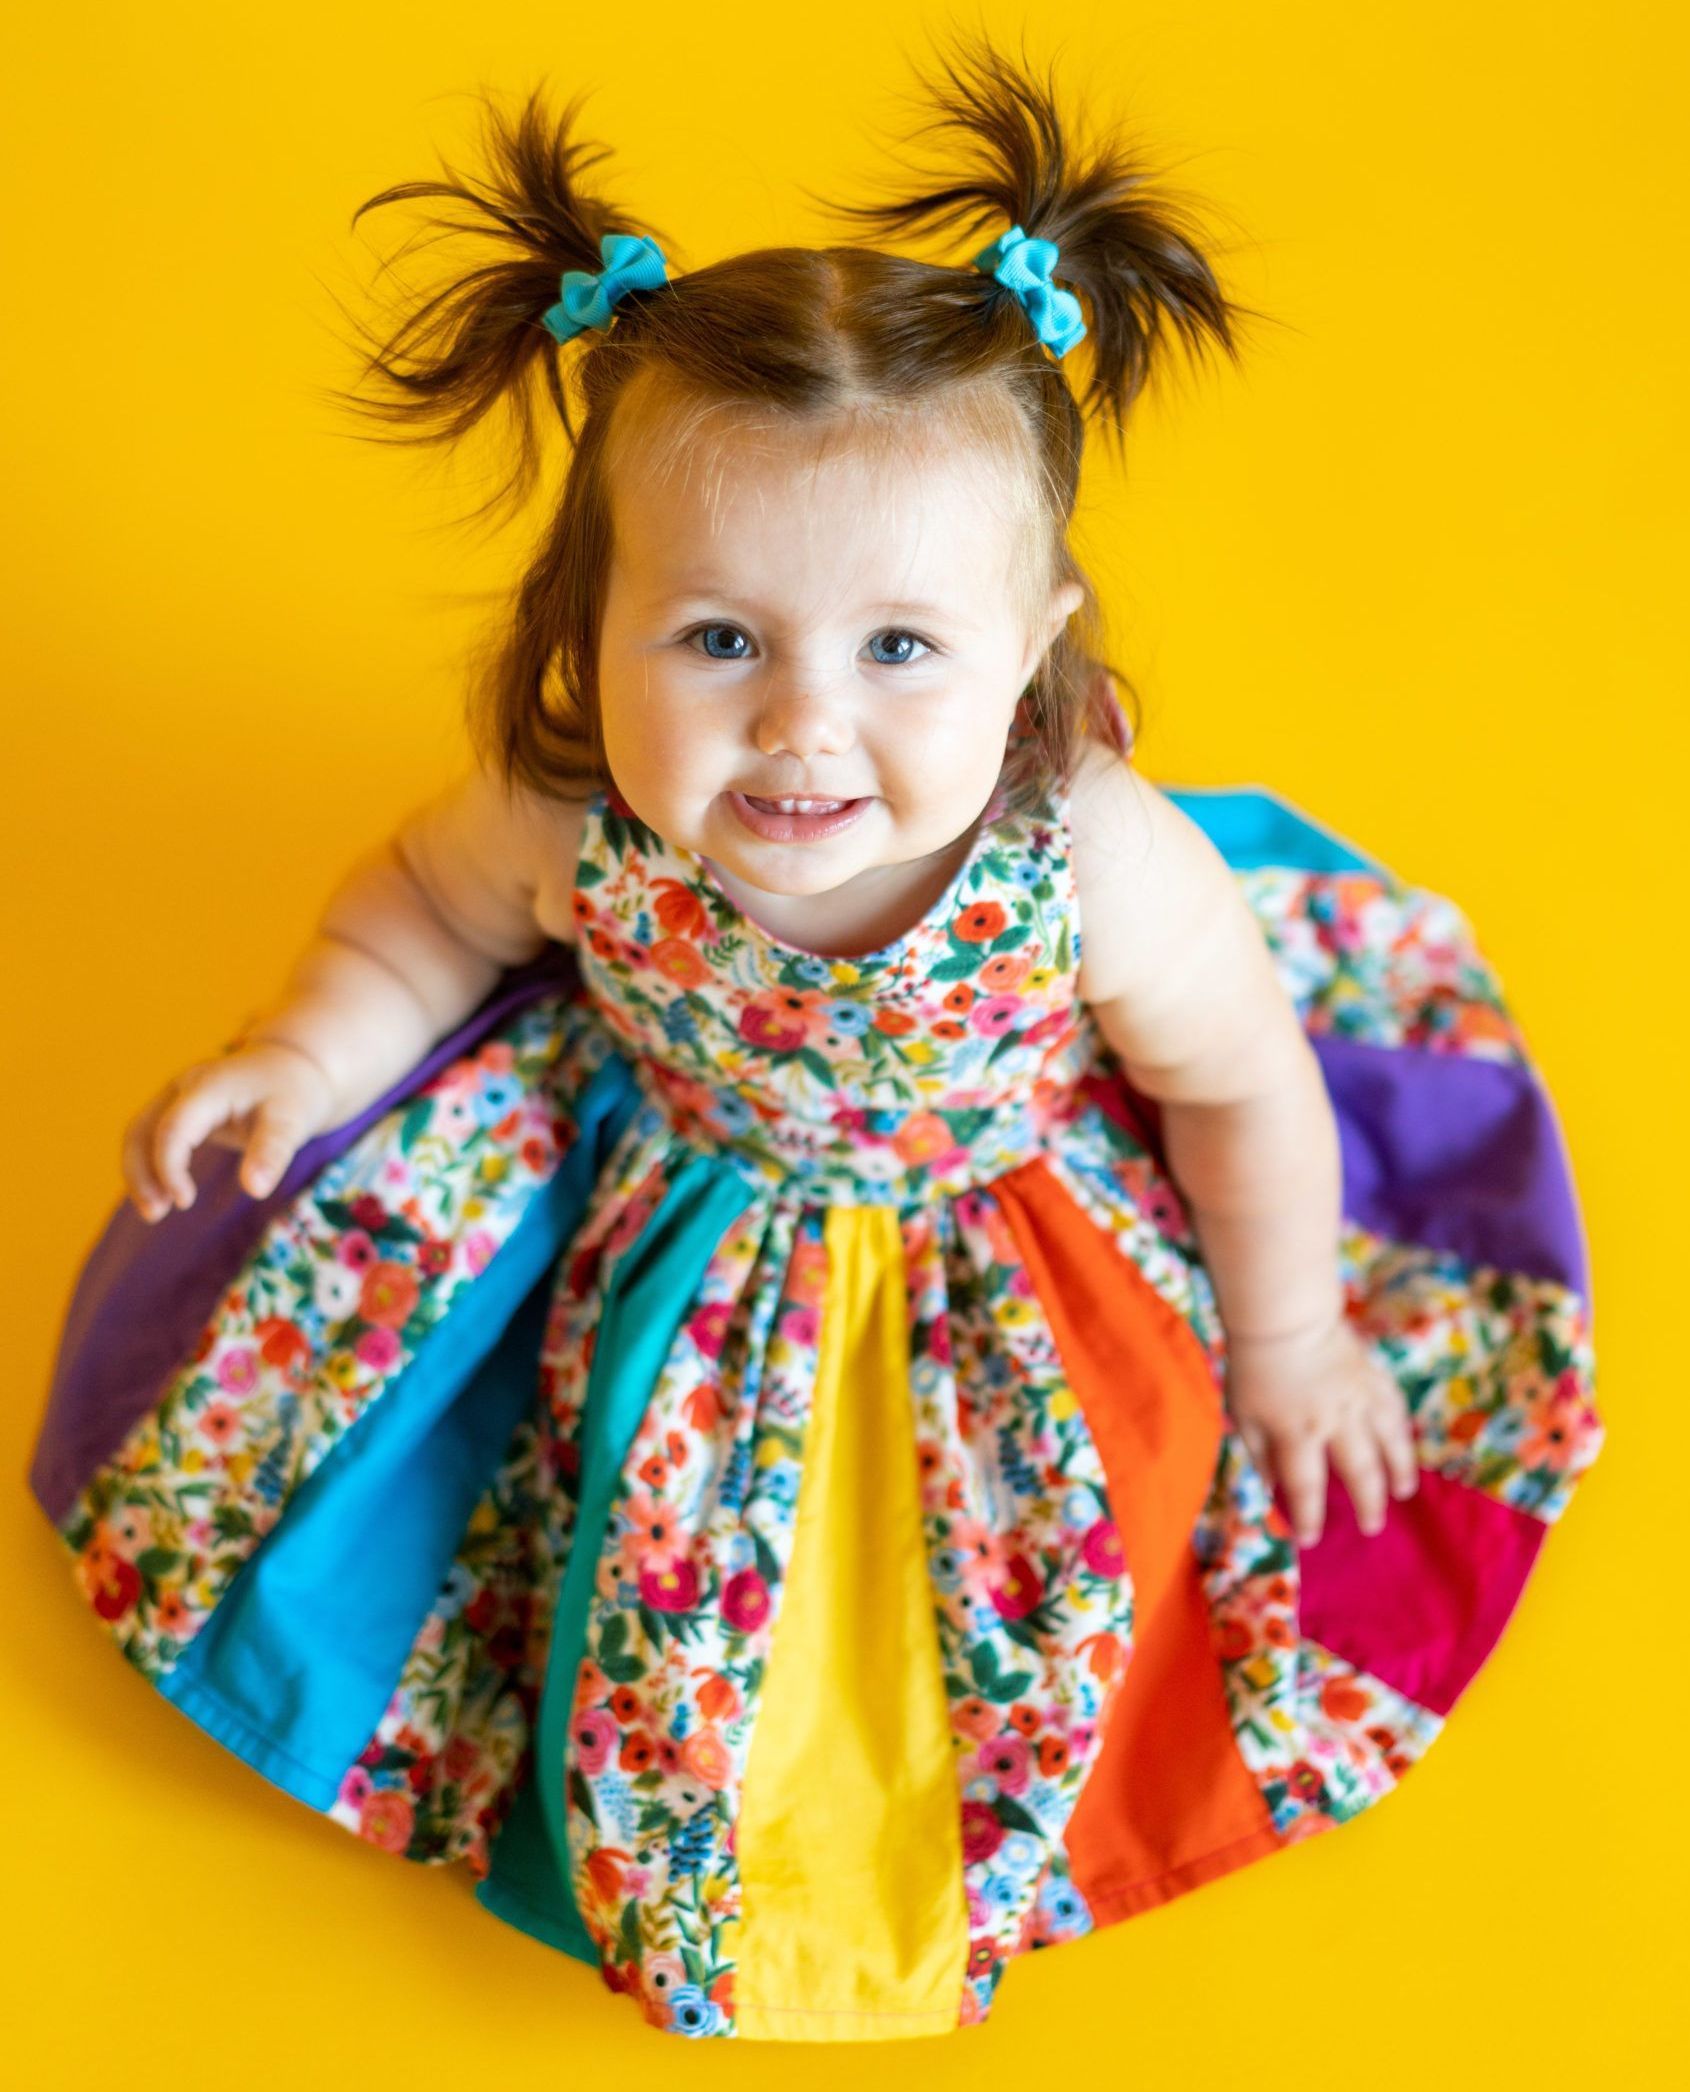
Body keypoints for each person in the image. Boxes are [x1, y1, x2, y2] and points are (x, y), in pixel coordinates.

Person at [27, 32, 1606, 2044]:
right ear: (581, 631)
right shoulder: (568, 809)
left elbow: (1234, 1082)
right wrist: (310, 1053)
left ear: (1035, 644)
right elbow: (418, 905)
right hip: (663, 1195)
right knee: (596, 1549)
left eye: (897, 648)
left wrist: (1286, 1331)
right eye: (714, 639)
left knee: (1043, 1580)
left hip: (997, 1223)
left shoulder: (1085, 863)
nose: (799, 724)